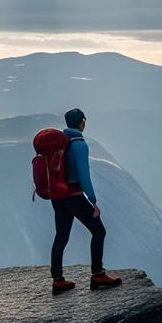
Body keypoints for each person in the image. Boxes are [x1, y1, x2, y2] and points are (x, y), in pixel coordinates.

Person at [52, 108, 122, 292]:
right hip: (74, 195)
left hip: (58, 196)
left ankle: (57, 280)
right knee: (99, 232)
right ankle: (98, 275)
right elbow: (84, 174)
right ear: (82, 122)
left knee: (61, 236)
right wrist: (92, 201)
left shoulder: (59, 141)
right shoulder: (78, 144)